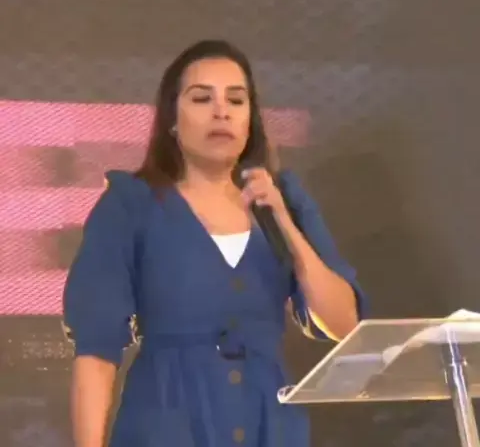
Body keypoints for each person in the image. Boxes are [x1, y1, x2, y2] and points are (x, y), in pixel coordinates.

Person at [63, 39, 367, 447]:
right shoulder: (131, 203)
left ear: (250, 120)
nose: (221, 111)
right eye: (202, 98)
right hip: (166, 423)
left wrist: (285, 224)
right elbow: (96, 350)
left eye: (236, 100)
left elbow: (344, 325)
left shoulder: (284, 200)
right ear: (172, 120)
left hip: (269, 424)